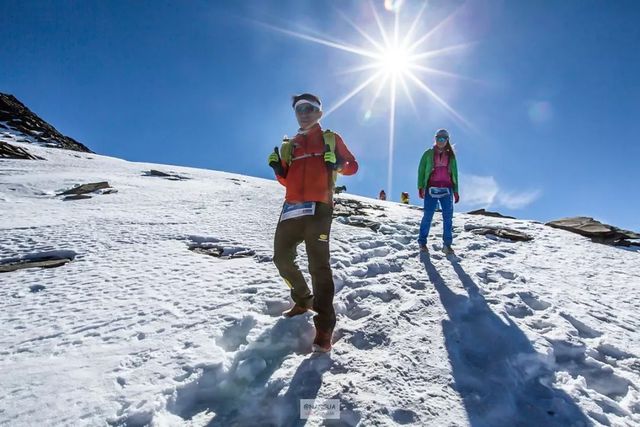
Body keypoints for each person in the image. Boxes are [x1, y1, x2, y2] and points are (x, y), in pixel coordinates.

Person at [267, 93, 359, 352]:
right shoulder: (290, 145)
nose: (304, 113)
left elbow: (353, 165)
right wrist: (278, 169)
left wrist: (339, 163)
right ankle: (303, 299)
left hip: (319, 208)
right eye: (299, 109)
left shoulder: (330, 138)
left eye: (310, 109)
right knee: (281, 258)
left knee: (318, 266)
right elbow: (287, 180)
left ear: (319, 113)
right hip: (291, 208)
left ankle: (324, 327)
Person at [417, 128, 459, 255]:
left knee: (448, 217)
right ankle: (422, 242)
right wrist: (420, 186)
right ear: (435, 139)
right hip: (431, 188)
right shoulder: (428, 153)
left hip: (447, 189)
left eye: (443, 139)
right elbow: (421, 170)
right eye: (438, 138)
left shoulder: (451, 156)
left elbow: (455, 174)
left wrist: (456, 191)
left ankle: (447, 245)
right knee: (428, 216)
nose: (441, 141)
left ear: (447, 140)